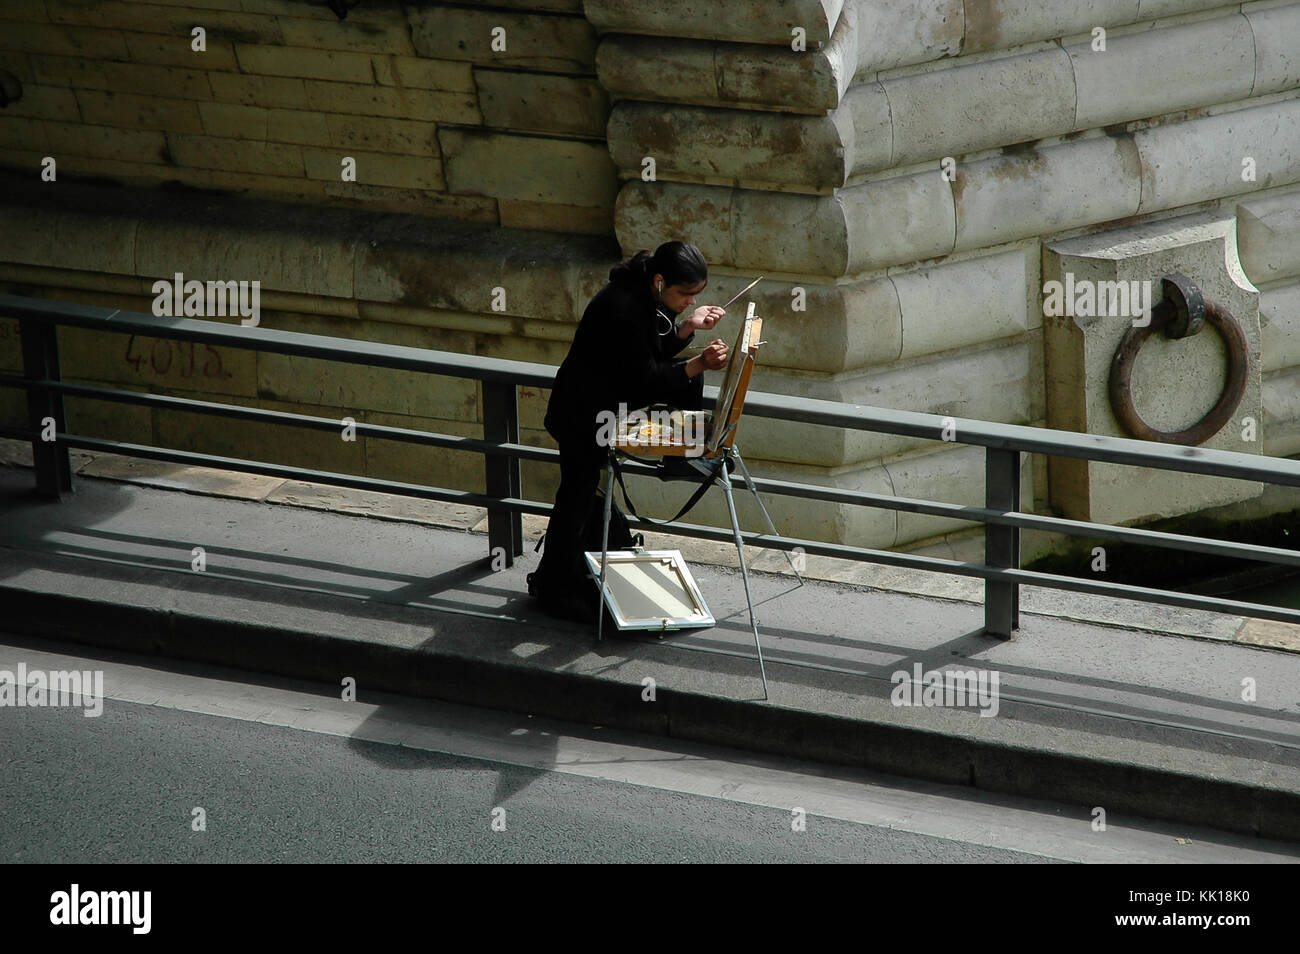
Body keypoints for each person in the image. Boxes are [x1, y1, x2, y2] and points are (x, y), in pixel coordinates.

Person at [528, 241, 730, 622]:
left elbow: (646, 354)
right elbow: (644, 380)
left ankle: (557, 580)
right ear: (659, 281)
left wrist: (687, 328)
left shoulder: (639, 294)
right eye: (685, 294)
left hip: (590, 410)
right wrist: (699, 363)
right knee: (576, 495)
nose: (690, 301)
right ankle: (554, 586)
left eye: (695, 296)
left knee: (579, 493)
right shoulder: (625, 308)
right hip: (582, 416)